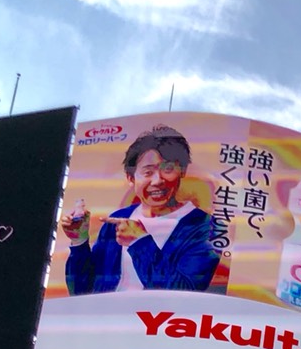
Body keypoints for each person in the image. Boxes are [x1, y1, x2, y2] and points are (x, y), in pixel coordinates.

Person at [61, 124, 221, 295]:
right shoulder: (118, 219)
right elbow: (81, 291)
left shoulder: (205, 226)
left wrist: (140, 242)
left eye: (168, 169)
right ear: (131, 177)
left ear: (182, 171)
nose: (158, 181)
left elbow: (184, 294)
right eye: (148, 172)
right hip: (105, 319)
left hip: (159, 322)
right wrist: (79, 242)